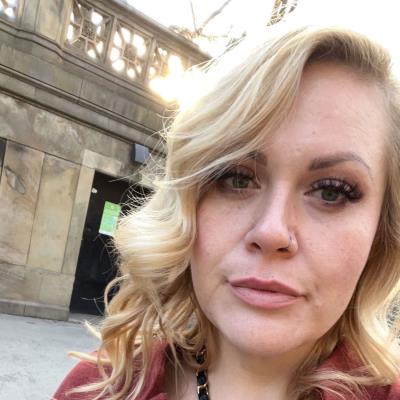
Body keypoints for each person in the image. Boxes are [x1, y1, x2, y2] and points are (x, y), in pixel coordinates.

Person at [53, 25, 400, 400]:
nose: (271, 231)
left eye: (331, 191)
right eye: (236, 178)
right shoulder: (95, 387)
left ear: (381, 231)